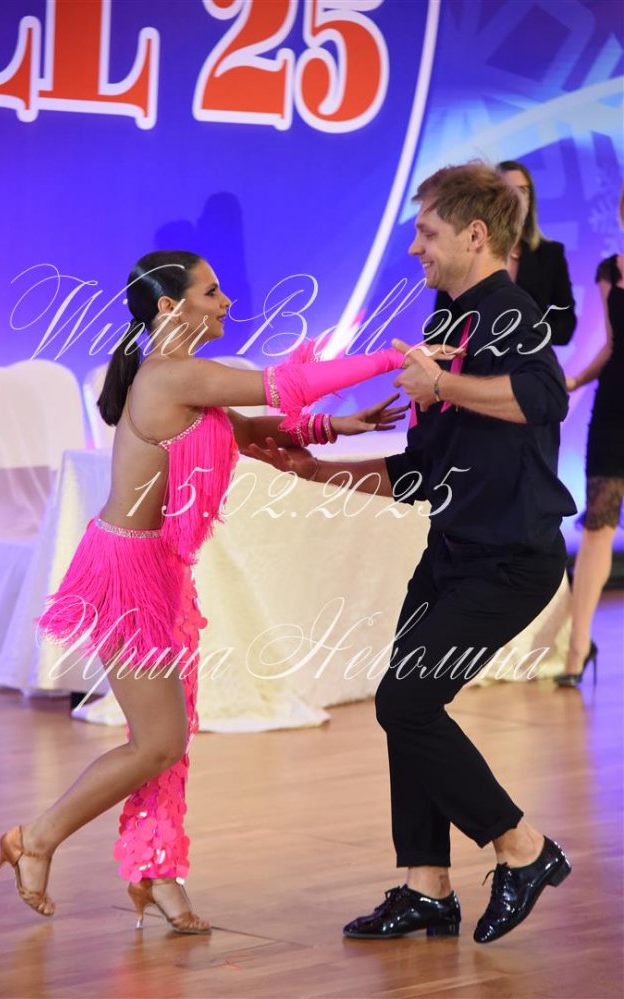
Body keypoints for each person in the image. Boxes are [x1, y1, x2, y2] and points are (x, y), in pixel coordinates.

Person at [0, 250, 425, 931]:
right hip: (124, 572)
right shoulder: (171, 375)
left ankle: (157, 872)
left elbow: (246, 430)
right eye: (211, 291)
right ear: (170, 306)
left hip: (159, 569)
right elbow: (287, 384)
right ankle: (36, 839)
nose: (225, 302)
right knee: (157, 742)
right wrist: (392, 357)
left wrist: (336, 427)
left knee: (169, 736)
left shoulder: (188, 379)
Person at [249, 163, 577, 944]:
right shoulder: (451, 321)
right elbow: (422, 471)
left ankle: (522, 847)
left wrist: (444, 385)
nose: (414, 248)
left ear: (475, 234)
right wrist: (316, 471)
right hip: (452, 551)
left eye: (427, 232)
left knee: (405, 701)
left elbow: (547, 398)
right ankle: (427, 885)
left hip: (511, 561)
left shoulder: (510, 312)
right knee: (408, 705)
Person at [557, 220, 624, 686]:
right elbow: (614, 344)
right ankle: (577, 648)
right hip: (614, 408)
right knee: (599, 524)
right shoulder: (609, 270)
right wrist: (577, 380)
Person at [433, 159, 576, 347]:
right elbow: (441, 325)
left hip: (527, 358)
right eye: (507, 190)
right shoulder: (465, 249)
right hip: (472, 358)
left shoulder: (551, 254)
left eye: (523, 190)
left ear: (531, 199)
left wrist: (525, 329)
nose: (516, 197)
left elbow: (565, 325)